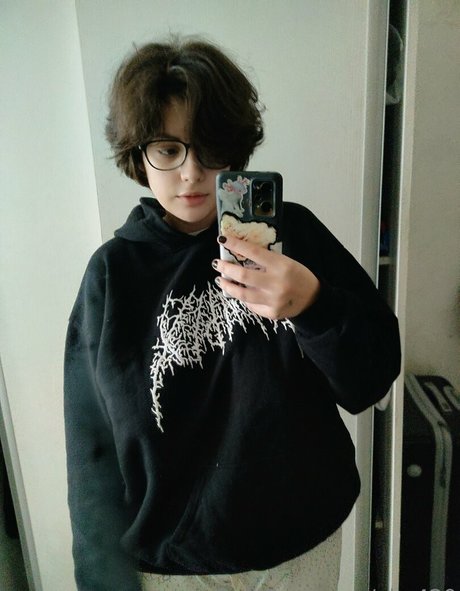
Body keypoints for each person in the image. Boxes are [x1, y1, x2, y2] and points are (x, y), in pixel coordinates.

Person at [64, 35, 401, 591]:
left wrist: (314, 305)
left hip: (302, 548)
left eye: (207, 146)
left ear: (233, 144)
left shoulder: (294, 236)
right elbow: (90, 447)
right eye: (168, 149)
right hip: (173, 568)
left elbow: (371, 380)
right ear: (139, 155)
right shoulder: (112, 275)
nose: (191, 172)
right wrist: (102, 579)